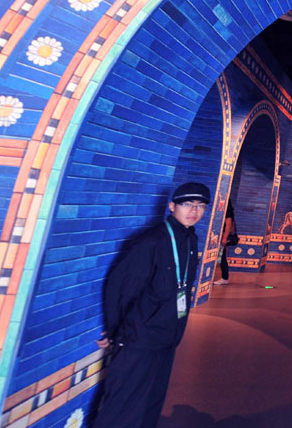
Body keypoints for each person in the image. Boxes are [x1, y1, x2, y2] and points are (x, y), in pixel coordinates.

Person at [94, 182, 209, 428]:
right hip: (139, 338)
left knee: (150, 403)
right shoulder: (151, 241)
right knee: (122, 406)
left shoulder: (190, 240)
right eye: (187, 204)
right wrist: (114, 330)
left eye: (200, 206)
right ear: (172, 206)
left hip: (168, 336)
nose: (194, 211)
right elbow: (119, 287)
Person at [213, 200, 235, 285]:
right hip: (218, 237)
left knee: (222, 258)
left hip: (221, 237)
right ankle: (224, 277)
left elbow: (228, 226)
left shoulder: (227, 212)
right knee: (222, 257)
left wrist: (224, 238)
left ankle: (225, 278)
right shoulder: (226, 211)